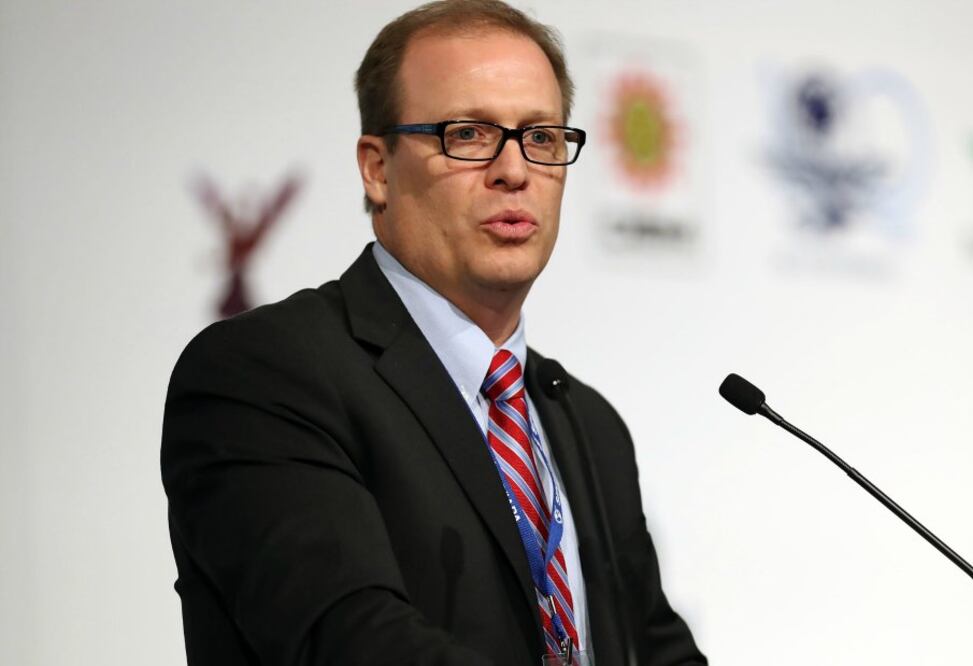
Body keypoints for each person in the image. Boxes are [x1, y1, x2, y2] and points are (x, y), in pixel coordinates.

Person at [161, 1, 707, 664]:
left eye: (541, 137)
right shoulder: (263, 375)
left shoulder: (586, 423)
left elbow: (657, 650)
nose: (514, 171)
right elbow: (353, 641)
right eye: (468, 134)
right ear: (377, 168)